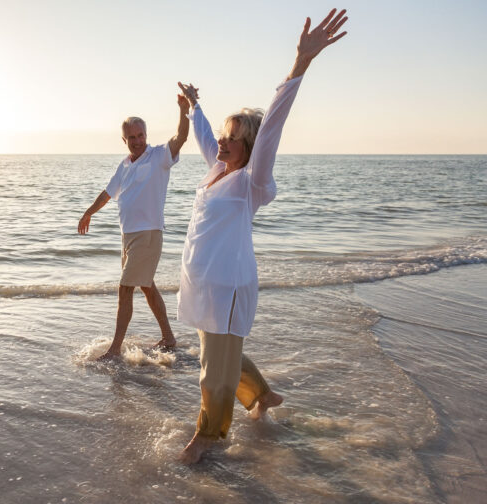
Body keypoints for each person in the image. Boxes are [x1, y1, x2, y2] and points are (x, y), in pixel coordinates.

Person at [176, 9, 349, 464]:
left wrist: (299, 65)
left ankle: (207, 437)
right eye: (223, 136)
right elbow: (202, 136)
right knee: (217, 355)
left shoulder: (250, 181)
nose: (222, 142)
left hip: (229, 285)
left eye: (233, 138)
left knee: (214, 371)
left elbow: (272, 127)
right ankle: (263, 396)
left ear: (250, 145)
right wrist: (195, 106)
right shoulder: (216, 172)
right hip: (204, 284)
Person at [77, 94, 190, 360]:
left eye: (141, 135)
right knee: (147, 286)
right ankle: (169, 338)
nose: (137, 141)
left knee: (125, 287)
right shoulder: (125, 164)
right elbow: (107, 193)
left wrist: (183, 111)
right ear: (124, 140)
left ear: (146, 135)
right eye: (132, 137)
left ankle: (115, 348)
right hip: (128, 236)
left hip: (148, 234)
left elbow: (180, 138)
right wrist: (88, 213)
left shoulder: (159, 156)